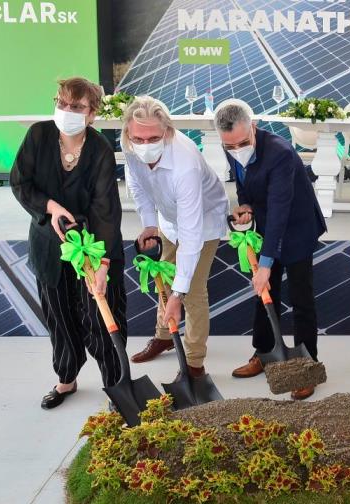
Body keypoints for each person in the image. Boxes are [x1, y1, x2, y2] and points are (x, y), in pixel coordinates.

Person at [10, 77, 126, 409]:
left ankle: (116, 385)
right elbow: (20, 182)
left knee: (101, 317)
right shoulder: (38, 136)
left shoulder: (101, 149)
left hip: (92, 246)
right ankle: (66, 379)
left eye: (76, 106)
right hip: (49, 244)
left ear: (92, 113)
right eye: (62, 103)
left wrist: (102, 264)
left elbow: (106, 209)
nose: (66, 110)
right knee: (58, 315)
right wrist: (50, 207)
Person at [215, 99, 327, 401]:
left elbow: (280, 210)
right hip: (267, 224)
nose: (237, 149)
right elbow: (243, 184)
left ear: (253, 126)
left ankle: (308, 366)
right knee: (266, 295)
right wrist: (247, 205)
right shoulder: (233, 146)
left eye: (242, 142)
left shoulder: (280, 154)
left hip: (297, 226)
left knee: (301, 298)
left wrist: (265, 264)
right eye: (230, 146)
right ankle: (264, 354)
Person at [123, 96, 228, 380]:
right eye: (138, 138)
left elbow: (191, 237)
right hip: (168, 219)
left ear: (167, 132)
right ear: (129, 134)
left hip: (202, 220)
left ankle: (194, 363)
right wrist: (148, 224)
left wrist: (177, 297)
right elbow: (137, 182)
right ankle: (164, 336)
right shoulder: (129, 144)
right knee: (164, 274)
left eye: (153, 137)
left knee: (191, 290)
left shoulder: (186, 164)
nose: (145, 144)